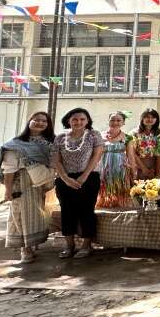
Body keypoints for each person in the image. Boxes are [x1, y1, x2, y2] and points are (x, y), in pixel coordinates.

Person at [0, 111, 55, 264]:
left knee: (38, 215)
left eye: (44, 121)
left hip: (42, 183)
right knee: (20, 215)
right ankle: (25, 250)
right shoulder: (15, 144)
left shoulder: (48, 143)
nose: (40, 123)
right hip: (21, 182)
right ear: (29, 121)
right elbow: (9, 169)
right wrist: (8, 190)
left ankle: (33, 244)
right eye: (36, 120)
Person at [51, 108, 105, 259]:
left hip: (89, 178)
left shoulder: (94, 135)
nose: (78, 122)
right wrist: (66, 179)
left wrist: (83, 177)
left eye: (82, 119)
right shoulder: (60, 137)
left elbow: (96, 156)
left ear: (87, 121)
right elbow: (56, 160)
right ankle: (69, 246)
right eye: (75, 119)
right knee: (67, 212)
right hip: (64, 180)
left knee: (86, 211)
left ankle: (86, 246)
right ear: (68, 120)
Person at [97, 111, 133, 209]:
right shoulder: (99, 136)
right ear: (108, 121)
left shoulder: (128, 137)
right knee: (103, 194)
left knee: (120, 196)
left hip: (120, 169)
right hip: (103, 169)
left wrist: (132, 171)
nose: (115, 122)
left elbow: (131, 156)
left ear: (123, 122)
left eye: (118, 120)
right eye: (112, 120)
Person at [129, 108, 160, 180]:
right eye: (147, 117)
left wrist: (157, 171)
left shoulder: (159, 133)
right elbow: (132, 153)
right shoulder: (134, 133)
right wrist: (143, 168)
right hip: (138, 164)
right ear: (142, 118)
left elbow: (159, 153)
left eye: (153, 117)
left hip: (154, 165)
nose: (150, 119)